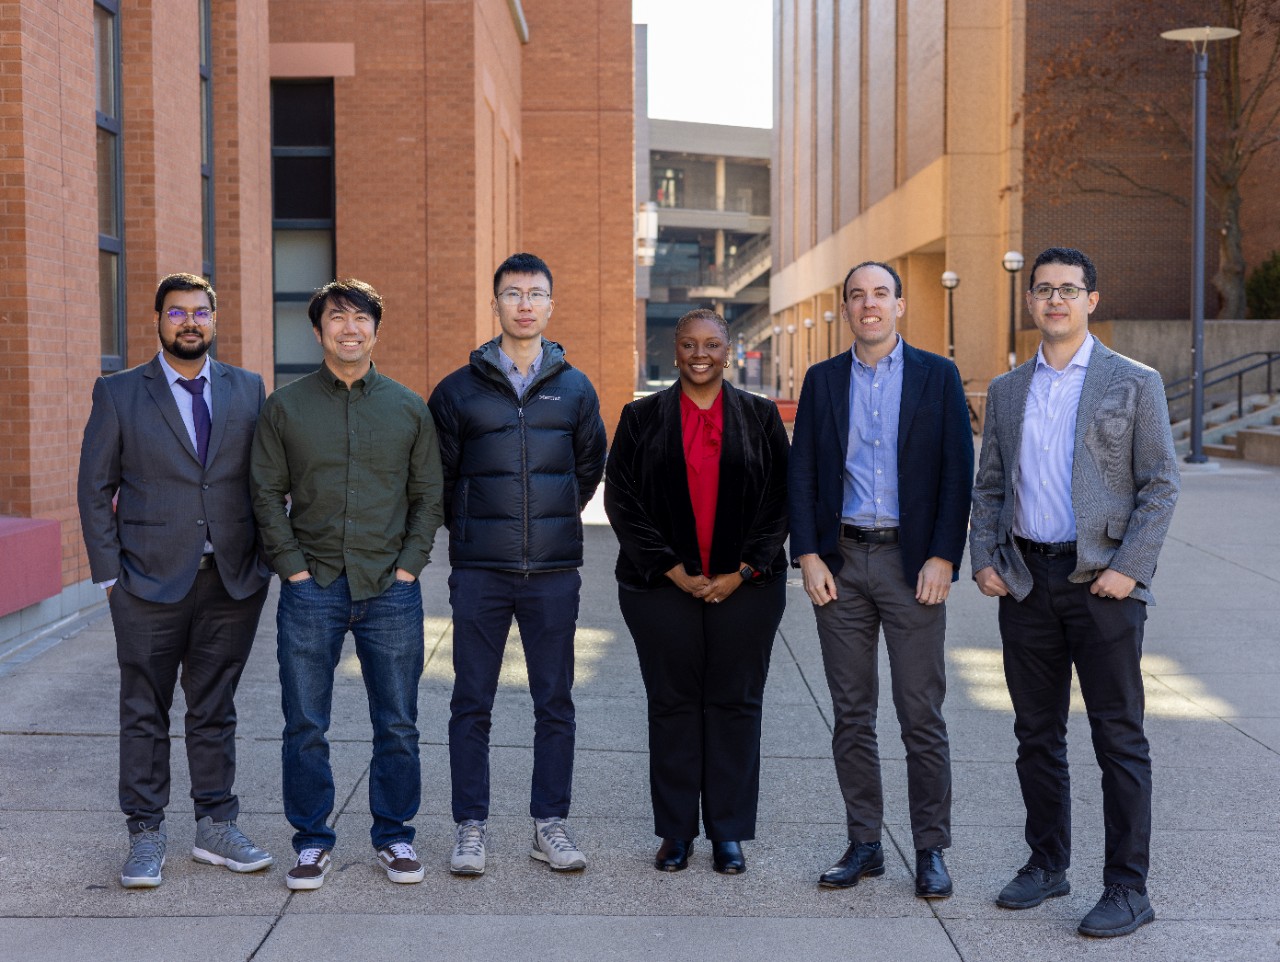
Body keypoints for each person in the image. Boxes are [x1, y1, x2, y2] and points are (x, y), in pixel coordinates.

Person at [970, 247, 1179, 938]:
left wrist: (1130, 566)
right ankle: (1046, 863)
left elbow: (1160, 485)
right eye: (1043, 290)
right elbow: (990, 485)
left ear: (1092, 299)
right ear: (1030, 302)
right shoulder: (1006, 390)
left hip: (1103, 586)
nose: (1055, 300)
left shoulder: (1133, 381)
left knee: (1118, 738)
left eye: (1069, 289)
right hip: (1026, 581)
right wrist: (985, 559)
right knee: (1036, 735)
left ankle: (1127, 887)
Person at [78, 272, 273, 888]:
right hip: (145, 583)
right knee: (145, 709)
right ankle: (145, 835)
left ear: (214, 320)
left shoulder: (248, 389)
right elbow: (94, 489)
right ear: (157, 321)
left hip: (231, 581)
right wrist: (111, 577)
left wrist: (264, 561)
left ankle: (216, 826)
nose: (190, 322)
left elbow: (265, 482)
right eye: (177, 313)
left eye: (200, 312)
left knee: (215, 708)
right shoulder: (118, 393)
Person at [251, 278, 443, 891]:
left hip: (390, 587)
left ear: (376, 330)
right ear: (318, 331)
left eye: (361, 319)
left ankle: (395, 837)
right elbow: (262, 493)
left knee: (398, 723)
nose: (349, 328)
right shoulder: (285, 407)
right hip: (313, 589)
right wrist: (292, 568)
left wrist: (411, 564)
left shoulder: (410, 407)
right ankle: (311, 842)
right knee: (305, 721)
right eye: (337, 319)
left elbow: (428, 496)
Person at [789, 261, 973, 898]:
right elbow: (803, 472)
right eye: (857, 296)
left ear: (899, 305)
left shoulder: (937, 376)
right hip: (839, 564)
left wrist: (945, 556)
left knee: (921, 713)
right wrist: (807, 555)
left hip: (911, 563)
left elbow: (958, 472)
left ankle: (931, 849)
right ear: (847, 308)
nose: (869, 305)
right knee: (851, 713)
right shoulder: (821, 381)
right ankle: (865, 843)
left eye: (880, 294)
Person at [428, 252, 606, 876]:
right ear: (496, 304)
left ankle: (549, 824)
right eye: (512, 294)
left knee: (554, 700)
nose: (524, 304)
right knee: (471, 700)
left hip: (554, 571)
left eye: (535, 294)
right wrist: (478, 529)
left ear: (551, 306)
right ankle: (469, 827)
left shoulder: (576, 388)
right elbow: (440, 479)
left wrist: (549, 522)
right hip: (480, 571)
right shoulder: (456, 389)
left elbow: (587, 471)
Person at [604, 309, 789, 875]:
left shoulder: (759, 417)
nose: (699, 354)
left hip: (747, 588)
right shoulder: (640, 418)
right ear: (675, 350)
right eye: (688, 344)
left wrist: (742, 570)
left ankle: (728, 834)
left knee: (735, 704)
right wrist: (671, 568)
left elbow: (780, 499)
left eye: (711, 344)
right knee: (673, 705)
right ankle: (677, 832)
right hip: (660, 588)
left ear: (728, 350)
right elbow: (621, 501)